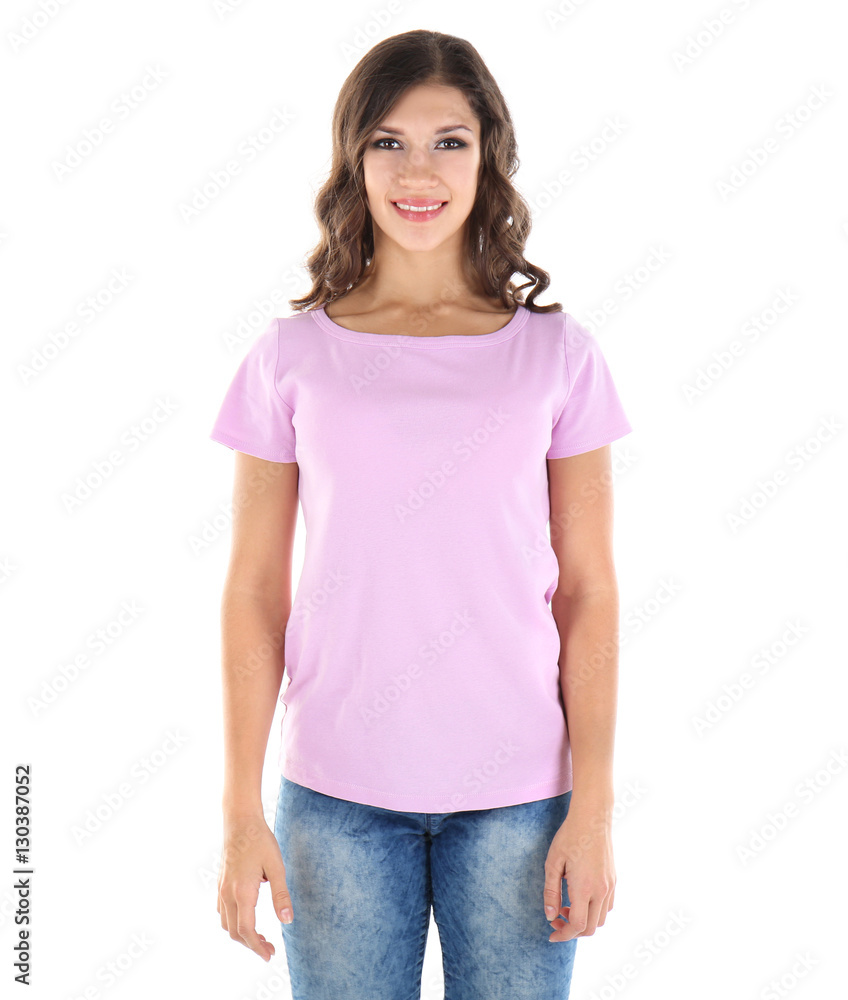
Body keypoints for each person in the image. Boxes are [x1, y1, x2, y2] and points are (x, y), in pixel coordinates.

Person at [210, 28, 633, 1000]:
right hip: (335, 799)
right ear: (351, 159)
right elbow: (253, 589)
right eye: (387, 142)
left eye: (448, 141)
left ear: (489, 160)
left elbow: (590, 589)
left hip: (523, 801)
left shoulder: (556, 355)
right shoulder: (291, 356)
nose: (417, 171)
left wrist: (594, 806)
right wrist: (240, 809)